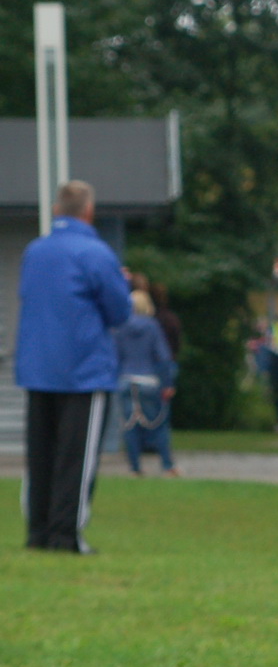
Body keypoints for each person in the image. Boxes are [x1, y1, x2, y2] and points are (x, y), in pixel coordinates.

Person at [15, 181, 133, 552]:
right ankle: (66, 536)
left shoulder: (35, 252)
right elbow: (119, 311)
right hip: (83, 370)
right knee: (76, 459)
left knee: (41, 455)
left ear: (55, 211)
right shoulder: (96, 253)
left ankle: (38, 531)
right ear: (89, 212)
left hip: (38, 368)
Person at [113, 289, 179, 476]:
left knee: (130, 427)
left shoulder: (121, 326)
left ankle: (135, 467)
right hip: (148, 380)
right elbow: (164, 356)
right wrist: (167, 383)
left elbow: (115, 356)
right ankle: (167, 465)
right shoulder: (152, 326)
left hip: (126, 380)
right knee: (159, 425)